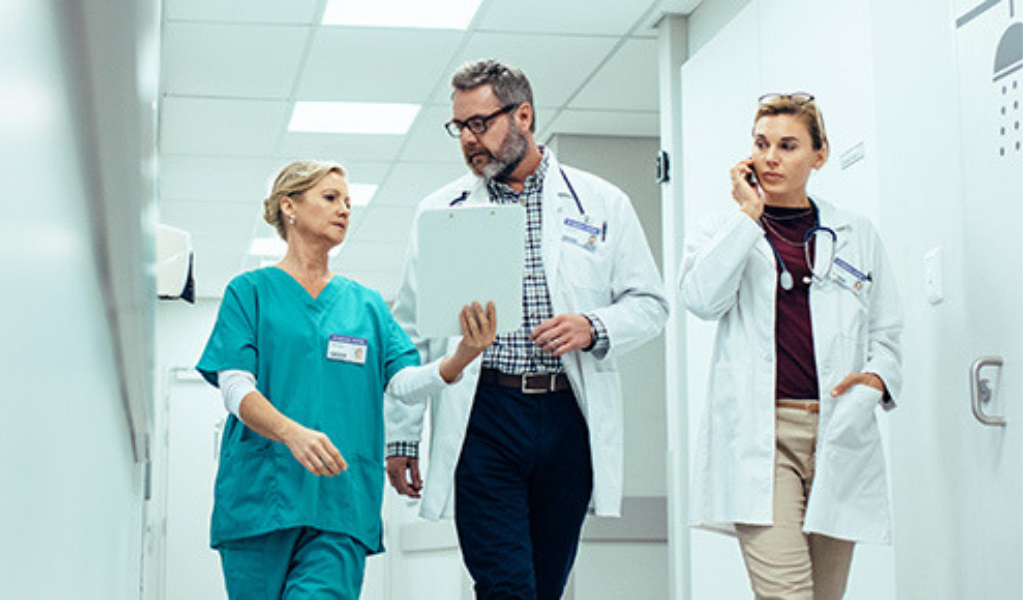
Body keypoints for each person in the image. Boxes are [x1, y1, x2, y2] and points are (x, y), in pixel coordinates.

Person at [385, 60, 669, 599]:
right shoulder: (441, 212)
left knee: (545, 587)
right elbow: (411, 337)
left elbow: (651, 305)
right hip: (486, 415)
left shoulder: (603, 203)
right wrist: (402, 433)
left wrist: (593, 326)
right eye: (459, 127)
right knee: (505, 587)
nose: (469, 141)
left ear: (524, 115)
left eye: (480, 124)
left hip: (567, 416)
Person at [196, 160, 496, 600]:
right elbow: (236, 388)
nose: (344, 211)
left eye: (349, 203)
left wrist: (461, 358)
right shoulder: (250, 292)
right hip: (260, 499)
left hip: (341, 501)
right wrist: (292, 434)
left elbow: (404, 383)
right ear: (289, 207)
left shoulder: (367, 305)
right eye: (331, 198)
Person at [679, 93, 904, 600]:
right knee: (787, 595)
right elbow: (701, 299)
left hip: (837, 430)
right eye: (761, 144)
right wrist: (747, 217)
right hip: (764, 436)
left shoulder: (856, 233)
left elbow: (887, 333)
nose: (771, 157)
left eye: (787, 145)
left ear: (818, 155)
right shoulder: (722, 229)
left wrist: (876, 379)